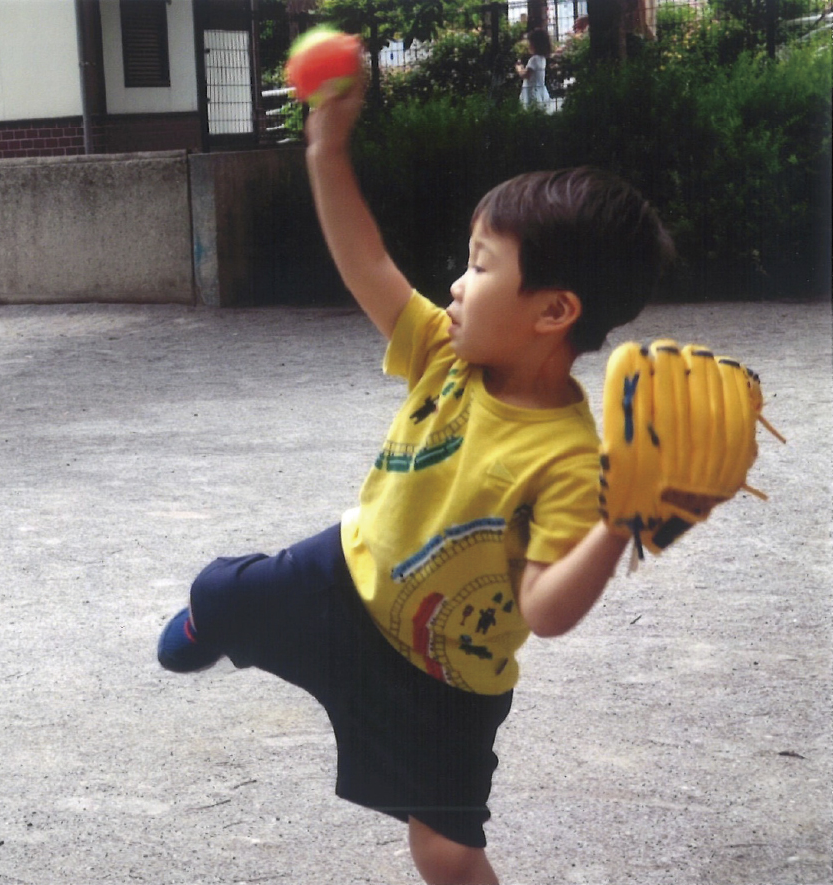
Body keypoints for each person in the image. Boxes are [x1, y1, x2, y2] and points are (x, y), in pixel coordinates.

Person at [157, 70, 673, 885]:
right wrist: (327, 150)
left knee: (447, 854)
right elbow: (365, 260)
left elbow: (546, 607)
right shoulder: (443, 349)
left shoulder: (571, 460)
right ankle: (211, 625)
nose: (458, 284)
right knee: (218, 593)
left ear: (552, 312)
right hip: (346, 583)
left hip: (447, 676)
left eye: (480, 265)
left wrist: (620, 521)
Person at [518, 29, 553, 108]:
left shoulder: (534, 59)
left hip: (532, 91)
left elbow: (526, 74)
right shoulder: (542, 58)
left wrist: (519, 68)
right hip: (540, 89)